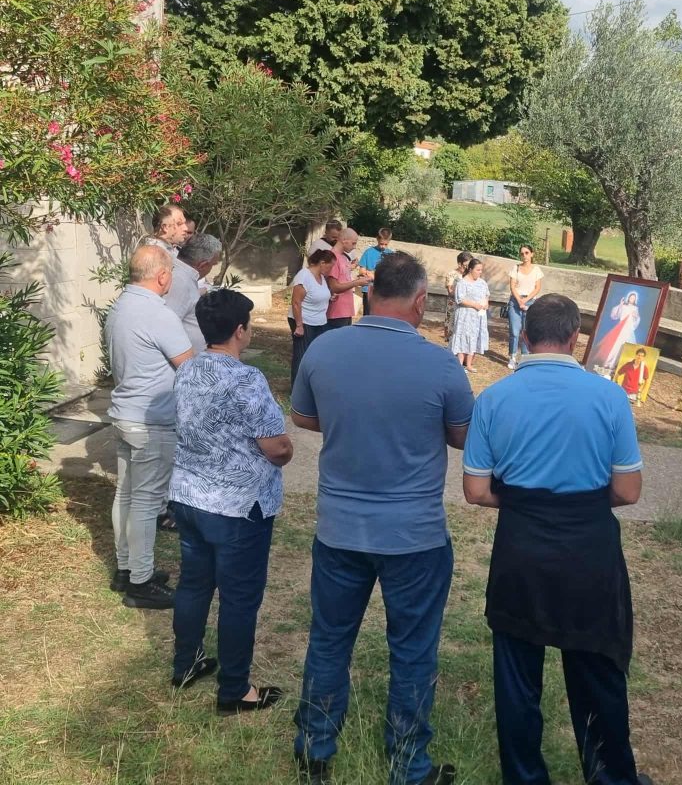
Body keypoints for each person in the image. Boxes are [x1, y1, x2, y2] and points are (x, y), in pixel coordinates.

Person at [291, 252, 475, 785]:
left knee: (329, 639)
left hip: (339, 528)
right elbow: (463, 435)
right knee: (413, 651)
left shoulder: (325, 349)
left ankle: (315, 749)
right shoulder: (441, 364)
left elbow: (303, 415)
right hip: (414, 535)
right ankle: (408, 766)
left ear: (370, 294)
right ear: (419, 301)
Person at [463, 294, 655, 785]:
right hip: (589, 550)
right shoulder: (608, 397)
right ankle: (611, 776)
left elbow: (476, 491)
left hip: (520, 548)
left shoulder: (493, 399)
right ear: (576, 338)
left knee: (517, 676)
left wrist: (527, 501)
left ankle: (525, 777)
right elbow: (628, 491)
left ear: (525, 336)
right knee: (597, 671)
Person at [169, 290, 293, 713]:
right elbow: (275, 446)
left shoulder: (187, 369)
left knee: (194, 584)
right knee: (239, 598)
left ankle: (186, 663)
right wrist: (287, 451)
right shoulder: (246, 379)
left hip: (189, 497)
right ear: (240, 330)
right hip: (237, 507)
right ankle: (235, 689)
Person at [105, 244, 194, 609]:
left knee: (126, 494)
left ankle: (127, 568)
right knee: (144, 501)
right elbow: (188, 365)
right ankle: (139, 582)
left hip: (125, 413)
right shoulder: (157, 313)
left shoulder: (121, 305)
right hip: (151, 421)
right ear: (162, 276)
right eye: (170, 273)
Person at [165, 232, 222, 356]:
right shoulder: (180, 281)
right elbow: (166, 330)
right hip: (182, 362)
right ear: (203, 265)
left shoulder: (184, 276)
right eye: (212, 265)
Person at [289, 249, 336, 386]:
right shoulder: (304, 276)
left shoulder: (321, 277)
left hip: (319, 321)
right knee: (301, 355)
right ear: (322, 263)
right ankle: (296, 388)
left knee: (315, 354)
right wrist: (299, 325)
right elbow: (296, 302)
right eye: (330, 266)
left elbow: (317, 294)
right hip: (305, 321)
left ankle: (310, 385)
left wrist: (329, 297)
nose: (331, 270)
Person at [506, 244, 545, 368]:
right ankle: (512, 356)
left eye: (527, 253)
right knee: (514, 331)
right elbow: (512, 286)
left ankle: (524, 357)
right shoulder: (516, 268)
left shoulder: (536, 270)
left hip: (529, 301)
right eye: (522, 253)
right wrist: (519, 300)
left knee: (526, 331)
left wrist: (526, 300)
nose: (524, 256)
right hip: (515, 302)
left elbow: (537, 288)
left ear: (532, 254)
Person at [324, 228, 370, 330]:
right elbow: (334, 287)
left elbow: (343, 279)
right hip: (336, 311)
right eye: (353, 243)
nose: (355, 247)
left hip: (345, 310)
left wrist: (358, 279)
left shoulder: (344, 257)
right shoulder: (332, 257)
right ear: (344, 240)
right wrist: (356, 283)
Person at [451, 258, 490, 372]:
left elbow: (486, 295)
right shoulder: (462, 283)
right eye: (478, 270)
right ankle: (459, 363)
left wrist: (486, 303)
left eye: (481, 270)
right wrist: (474, 305)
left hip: (478, 316)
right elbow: (460, 299)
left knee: (474, 337)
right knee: (463, 336)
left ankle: (469, 364)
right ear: (470, 269)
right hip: (465, 315)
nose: (480, 272)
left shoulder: (482, 283)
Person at [590, 290, 642, 374]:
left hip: (628, 329)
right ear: (628, 298)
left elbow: (637, 320)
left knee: (625, 346)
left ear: (635, 300)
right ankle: (609, 363)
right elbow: (615, 315)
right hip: (621, 327)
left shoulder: (635, 308)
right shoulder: (623, 306)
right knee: (615, 345)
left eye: (633, 298)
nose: (632, 299)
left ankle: (619, 364)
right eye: (631, 297)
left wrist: (636, 317)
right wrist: (620, 305)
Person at [358, 227, 393, 316]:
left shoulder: (391, 255)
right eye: (381, 244)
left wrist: (374, 275)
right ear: (377, 239)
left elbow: (391, 274)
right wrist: (368, 273)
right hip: (368, 289)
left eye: (386, 244)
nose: (383, 246)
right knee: (368, 315)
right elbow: (361, 271)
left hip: (383, 290)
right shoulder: (368, 252)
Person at [444, 251, 474, 342]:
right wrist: (462, 294)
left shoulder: (471, 275)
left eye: (470, 266)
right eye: (465, 266)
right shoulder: (452, 274)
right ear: (459, 264)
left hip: (467, 308)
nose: (468, 268)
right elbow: (450, 291)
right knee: (451, 332)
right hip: (454, 307)